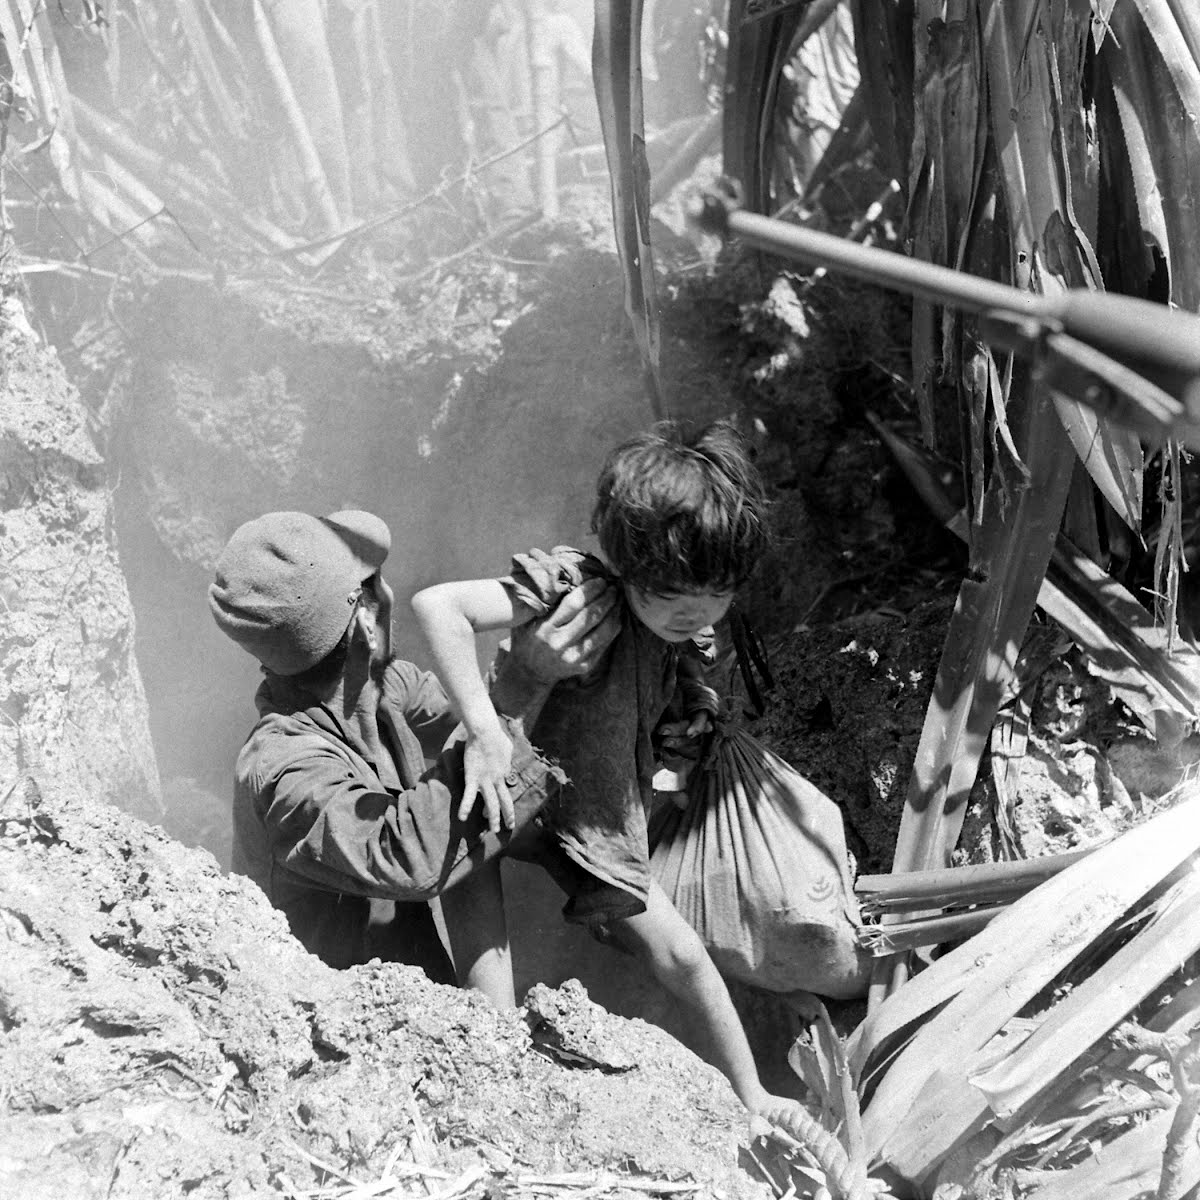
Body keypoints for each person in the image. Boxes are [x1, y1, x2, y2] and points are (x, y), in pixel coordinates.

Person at [411, 420, 804, 1123]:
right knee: (477, 903)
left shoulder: (685, 626)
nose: (699, 613)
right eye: (676, 597)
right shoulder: (572, 587)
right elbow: (437, 606)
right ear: (627, 565)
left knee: (683, 955)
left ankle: (754, 1095)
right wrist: (482, 731)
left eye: (717, 594)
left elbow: (678, 693)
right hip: (508, 789)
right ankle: (493, 1067)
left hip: (594, 819)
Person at [209, 507, 620, 989]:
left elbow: (483, 731)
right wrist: (523, 680)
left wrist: (549, 611)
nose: (389, 593)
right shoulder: (285, 770)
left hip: (412, 996)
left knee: (466, 790)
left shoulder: (381, 690)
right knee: (455, 812)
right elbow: (409, 857)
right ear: (365, 620)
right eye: (375, 581)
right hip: (335, 1024)